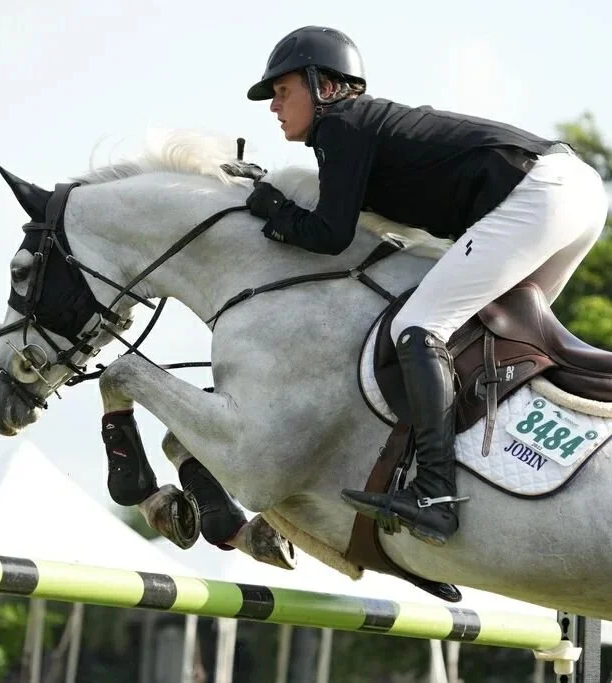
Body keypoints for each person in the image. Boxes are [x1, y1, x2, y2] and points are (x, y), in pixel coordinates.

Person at [244, 25, 608, 546]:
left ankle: (435, 494)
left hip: (540, 195)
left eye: (282, 91)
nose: (274, 107)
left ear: (324, 86)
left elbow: (329, 235)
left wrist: (268, 206)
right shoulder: (363, 127)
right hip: (574, 193)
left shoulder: (341, 124)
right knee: (494, 338)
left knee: (418, 326)